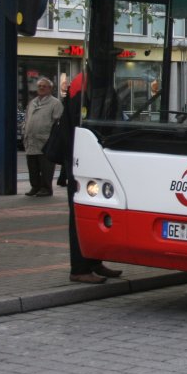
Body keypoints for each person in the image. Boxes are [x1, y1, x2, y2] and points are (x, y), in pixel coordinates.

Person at [61, 73, 122, 284]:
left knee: (94, 213)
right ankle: (79, 268)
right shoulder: (84, 87)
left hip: (91, 155)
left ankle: (94, 262)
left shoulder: (93, 84)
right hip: (83, 158)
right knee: (79, 215)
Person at [22, 77, 63, 197]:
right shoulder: (32, 102)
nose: (41, 88)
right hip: (31, 140)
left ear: (50, 88)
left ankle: (46, 188)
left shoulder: (55, 103)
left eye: (44, 86)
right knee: (32, 166)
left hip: (46, 141)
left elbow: (58, 122)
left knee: (46, 167)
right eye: (39, 86)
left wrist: (54, 139)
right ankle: (35, 187)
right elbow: (26, 118)